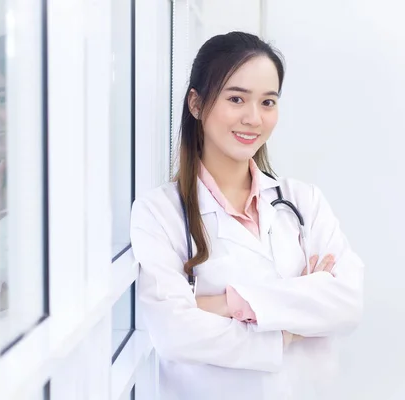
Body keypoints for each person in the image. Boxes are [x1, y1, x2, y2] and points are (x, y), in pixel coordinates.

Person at [129, 31, 364, 399]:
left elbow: (347, 304)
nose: (253, 118)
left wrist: (227, 303)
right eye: (236, 98)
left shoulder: (304, 201)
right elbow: (174, 333)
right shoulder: (159, 212)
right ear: (196, 103)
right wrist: (289, 327)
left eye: (268, 102)